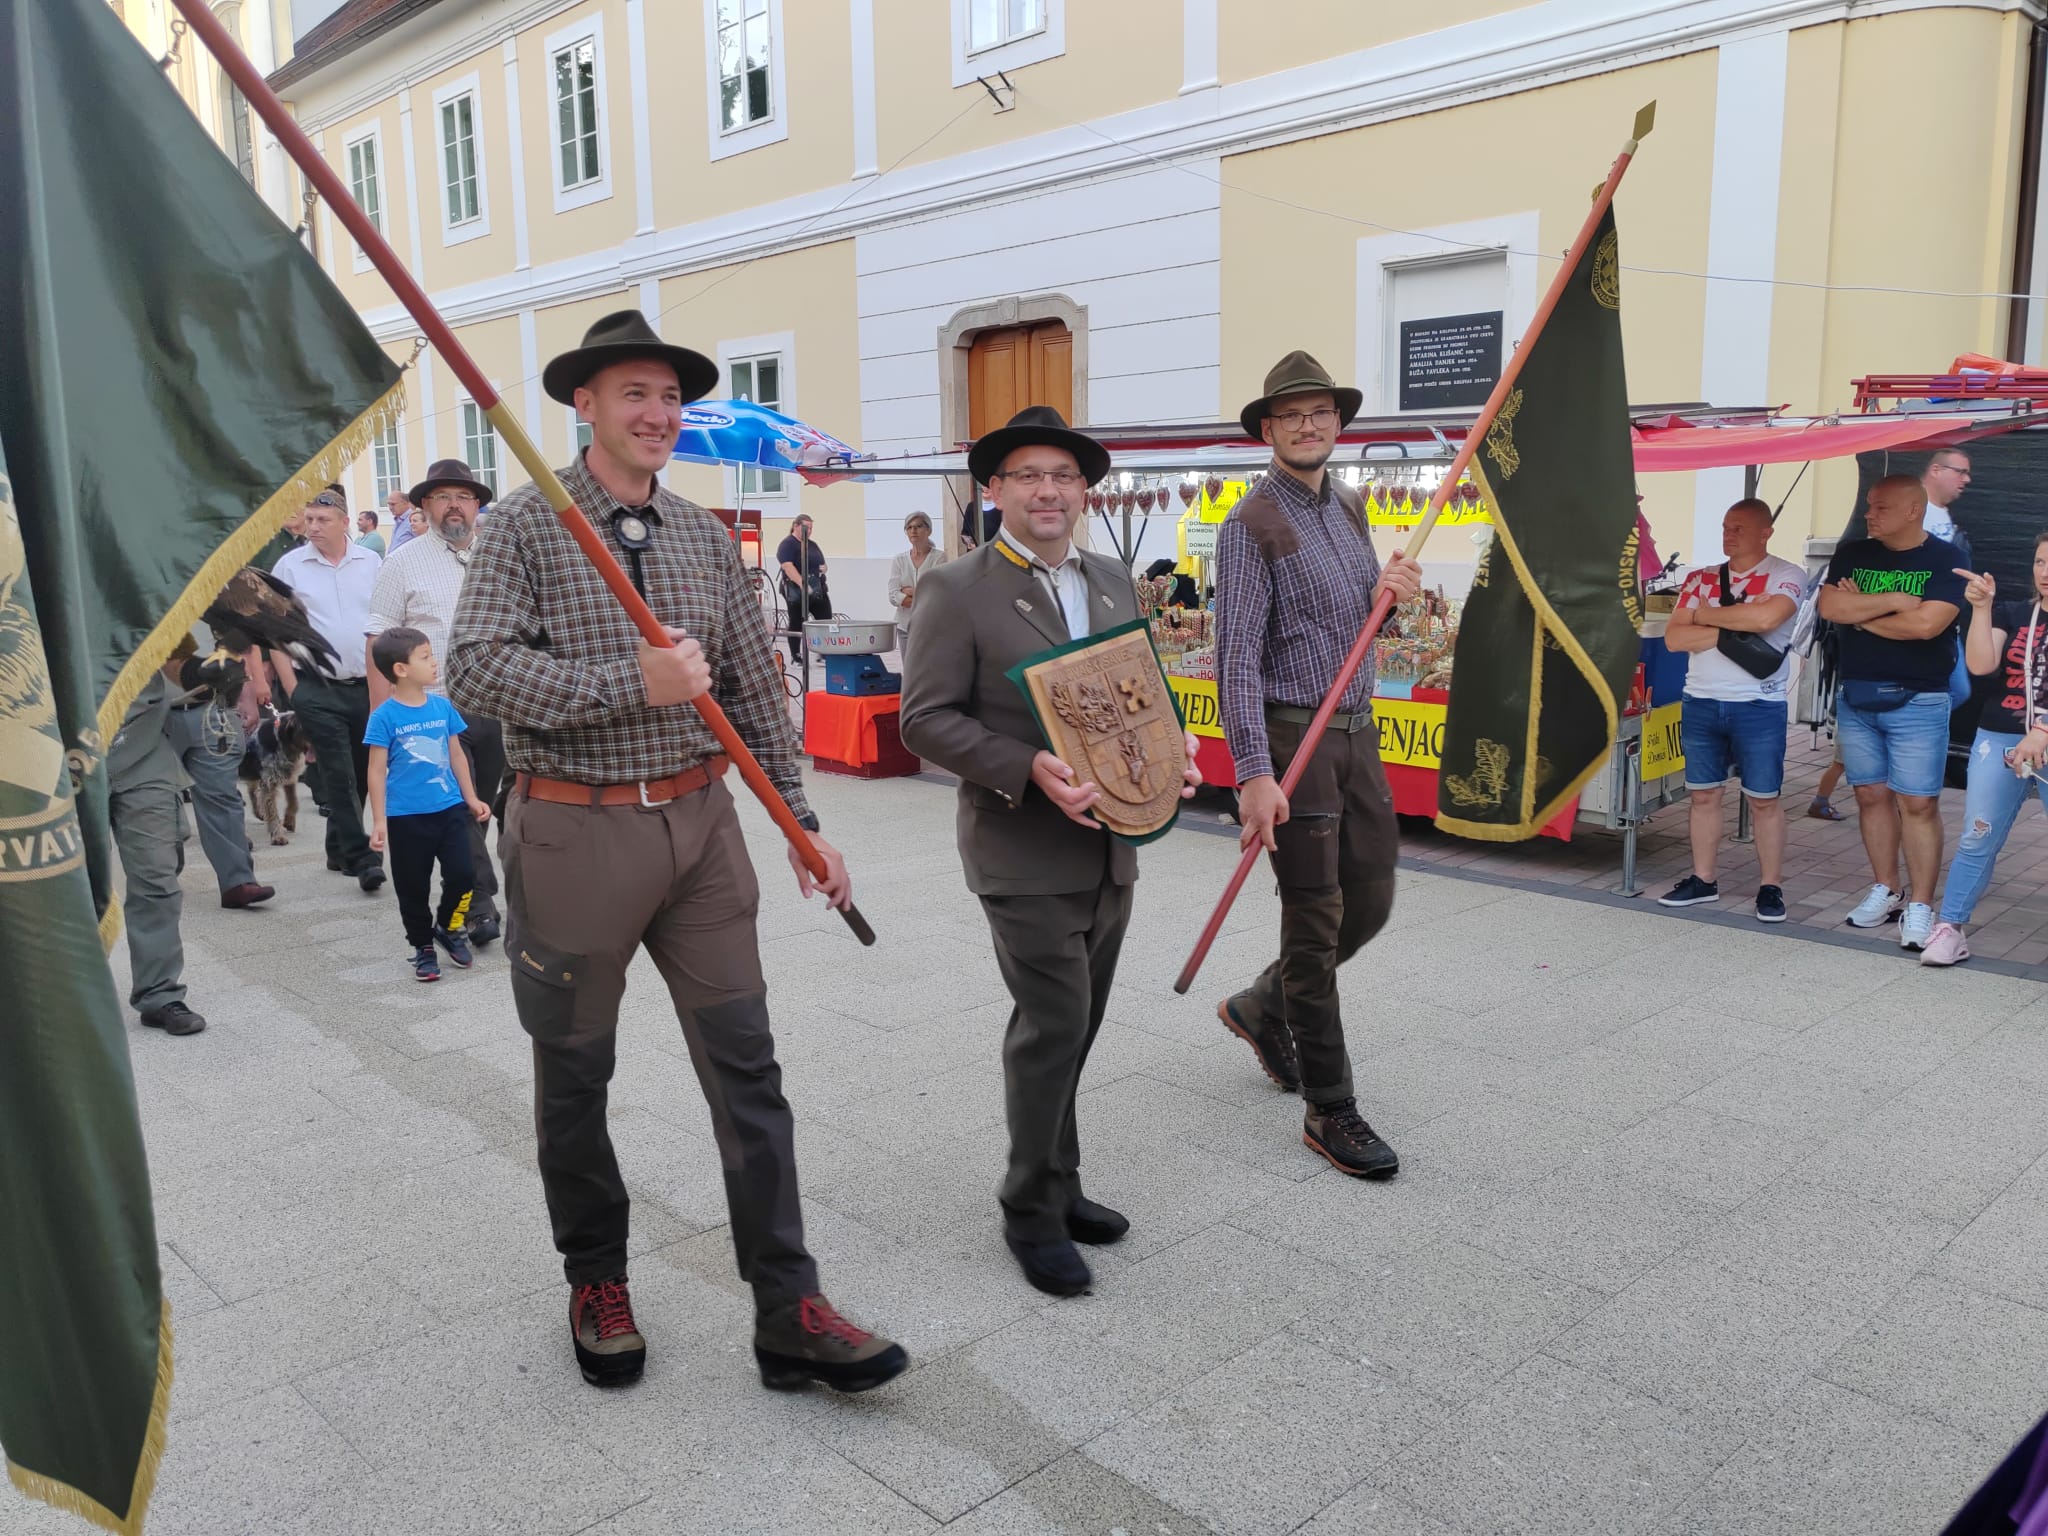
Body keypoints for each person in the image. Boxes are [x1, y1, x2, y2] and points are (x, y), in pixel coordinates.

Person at [446, 309, 904, 1394]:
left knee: (748, 1066)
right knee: (575, 1071)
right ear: (585, 406)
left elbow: (751, 686)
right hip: (572, 828)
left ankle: (788, 1304)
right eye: (633, 395)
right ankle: (596, 1277)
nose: (656, 415)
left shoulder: (705, 537)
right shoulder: (525, 526)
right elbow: (472, 672)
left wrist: (800, 822)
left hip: (701, 830)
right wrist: (626, 685)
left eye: (669, 398)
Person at [899, 405, 1203, 1298]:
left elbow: (1134, 691)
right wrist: (1027, 766)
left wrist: (1171, 757)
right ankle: (1028, 1206)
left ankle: (1062, 1184)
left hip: (1115, 844)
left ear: (1083, 491)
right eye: (1027, 475)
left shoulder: (1111, 577)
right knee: (1053, 1026)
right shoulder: (958, 588)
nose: (1047, 490)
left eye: (1063, 476)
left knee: (1082, 1023)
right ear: (994, 491)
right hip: (1020, 849)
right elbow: (924, 721)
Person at [1213, 351, 1420, 1179]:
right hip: (1295, 736)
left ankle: (1263, 1004)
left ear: (1338, 424)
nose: (1308, 425)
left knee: (1370, 899)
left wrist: (1391, 600)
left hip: (1360, 731)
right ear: (1268, 431)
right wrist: (1254, 772)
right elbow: (1233, 662)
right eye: (1292, 414)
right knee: (1316, 918)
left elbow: (1362, 630)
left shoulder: (1350, 506)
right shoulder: (1249, 524)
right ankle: (1330, 1108)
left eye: (1321, 412)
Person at [1816, 473, 1966, 948]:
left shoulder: (1947, 559)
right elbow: (1829, 607)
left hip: (1920, 697)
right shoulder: (1853, 553)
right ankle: (1887, 888)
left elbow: (1926, 626)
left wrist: (1862, 613)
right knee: (1869, 797)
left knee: (1919, 803)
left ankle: (1920, 905)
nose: (1868, 515)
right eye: (1869, 507)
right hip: (1858, 695)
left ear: (1912, 511)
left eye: (1880, 507)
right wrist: (1890, 604)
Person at [366, 458, 503, 945]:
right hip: (437, 711)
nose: (454, 506)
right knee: (462, 809)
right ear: (424, 505)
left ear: (477, 504)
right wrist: (384, 715)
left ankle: (474, 889)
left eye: (463, 497)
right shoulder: (402, 561)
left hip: (502, 704)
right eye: (443, 497)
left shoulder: (501, 553)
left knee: (486, 805)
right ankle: (478, 905)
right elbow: (379, 639)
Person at [1656, 499, 1806, 921]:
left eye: (1738, 527)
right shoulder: (1699, 576)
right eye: (1725, 526)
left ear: (1766, 533)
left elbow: (1768, 618)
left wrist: (1704, 616)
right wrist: (1737, 620)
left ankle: (1770, 888)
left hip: (1759, 704)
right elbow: (1674, 639)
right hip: (1701, 699)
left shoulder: (1787, 574)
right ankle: (1703, 880)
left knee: (1764, 800)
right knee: (1703, 795)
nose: (1728, 534)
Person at [1922, 534, 2048, 966]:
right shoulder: (2015, 613)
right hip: (2000, 738)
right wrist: (1980, 608)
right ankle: (1949, 928)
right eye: (2040, 562)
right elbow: (1979, 665)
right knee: (1977, 835)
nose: (2045, 572)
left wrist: (2042, 730)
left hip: (2042, 738)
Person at [273, 489, 386, 891]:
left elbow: (385, 622)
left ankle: (338, 846)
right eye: (309, 520)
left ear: (344, 521)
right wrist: (293, 690)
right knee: (337, 771)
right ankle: (362, 857)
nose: (313, 527)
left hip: (364, 684)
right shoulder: (290, 567)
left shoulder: (371, 562)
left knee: (360, 769)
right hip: (316, 688)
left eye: (322, 520)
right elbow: (276, 635)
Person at [365, 628, 490, 982]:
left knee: (464, 875)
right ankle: (423, 947)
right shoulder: (384, 717)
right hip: (406, 816)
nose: (434, 662)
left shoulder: (442, 706)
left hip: (449, 809)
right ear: (401, 669)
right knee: (412, 887)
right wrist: (379, 821)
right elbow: (375, 771)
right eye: (425, 656)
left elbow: (456, 755)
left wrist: (471, 797)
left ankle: (449, 927)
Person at [107, 674, 206, 1036]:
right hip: (55, 747)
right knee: (64, 884)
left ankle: (159, 992)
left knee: (156, 875)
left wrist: (204, 671)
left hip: (141, 746)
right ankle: (63, 996)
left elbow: (179, 654)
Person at [165, 631, 275, 910]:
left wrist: (247, 695)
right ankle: (161, 878)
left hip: (213, 708)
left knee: (222, 796)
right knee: (158, 799)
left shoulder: (213, 591)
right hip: (152, 710)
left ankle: (238, 882)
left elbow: (239, 640)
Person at [884, 511, 947, 654]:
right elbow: (893, 595)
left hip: (931, 626)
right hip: (905, 626)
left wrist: (909, 592)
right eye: (909, 527)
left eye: (918, 526)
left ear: (928, 530)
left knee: (931, 669)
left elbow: (937, 594)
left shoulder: (939, 557)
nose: (913, 531)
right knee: (910, 672)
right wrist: (920, 594)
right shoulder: (899, 560)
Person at [775, 513, 830, 663]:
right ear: (796, 526)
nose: (809, 531)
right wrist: (803, 584)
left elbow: (821, 563)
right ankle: (796, 655)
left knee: (824, 620)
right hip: (797, 591)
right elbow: (787, 566)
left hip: (818, 589)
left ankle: (823, 653)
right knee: (796, 622)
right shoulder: (787, 544)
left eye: (811, 528)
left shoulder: (812, 545)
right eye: (806, 528)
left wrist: (824, 568)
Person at [385, 489, 419, 555]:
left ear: (405, 503)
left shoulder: (414, 519)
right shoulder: (398, 520)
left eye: (393, 504)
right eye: (389, 504)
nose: (390, 508)